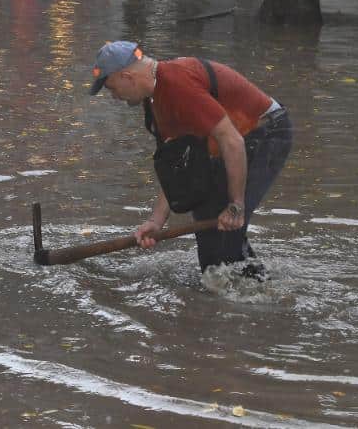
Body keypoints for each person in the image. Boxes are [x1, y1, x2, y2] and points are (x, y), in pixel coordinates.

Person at [89, 41, 292, 279]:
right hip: (224, 146)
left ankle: (260, 297)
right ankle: (240, 292)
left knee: (225, 235)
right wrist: (156, 221)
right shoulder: (155, 102)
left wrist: (236, 205)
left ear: (127, 76)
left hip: (265, 134)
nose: (114, 97)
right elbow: (178, 168)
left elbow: (233, 142)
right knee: (211, 242)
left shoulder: (177, 84)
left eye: (112, 88)